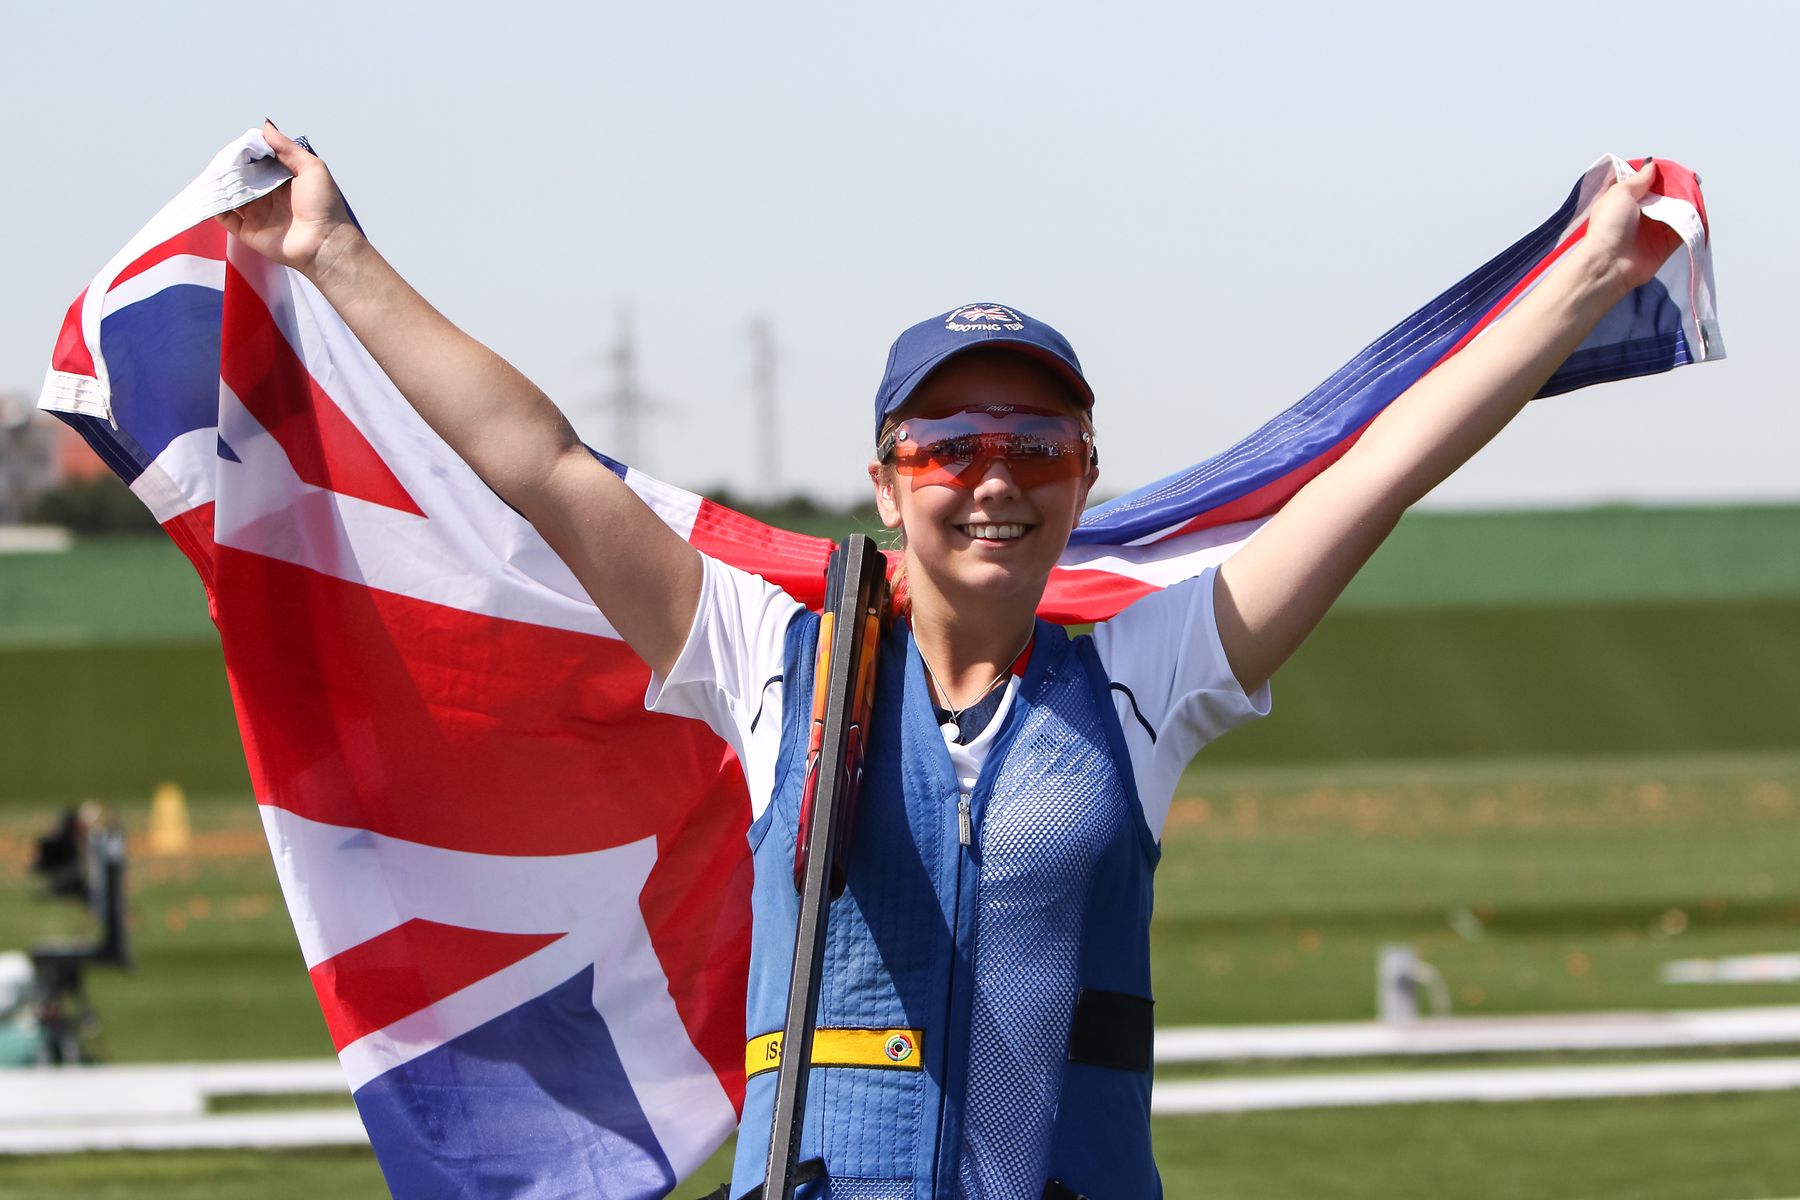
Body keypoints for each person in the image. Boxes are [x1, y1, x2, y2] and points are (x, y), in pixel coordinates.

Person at [223, 122, 1679, 1199]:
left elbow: (1378, 471)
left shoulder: (1145, 684)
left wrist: (1587, 280)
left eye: (1038, 446)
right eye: (950, 446)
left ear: (1084, 476)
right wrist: (335, 254)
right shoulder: (767, 661)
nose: (995, 479)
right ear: (885, 483)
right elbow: (543, 463)